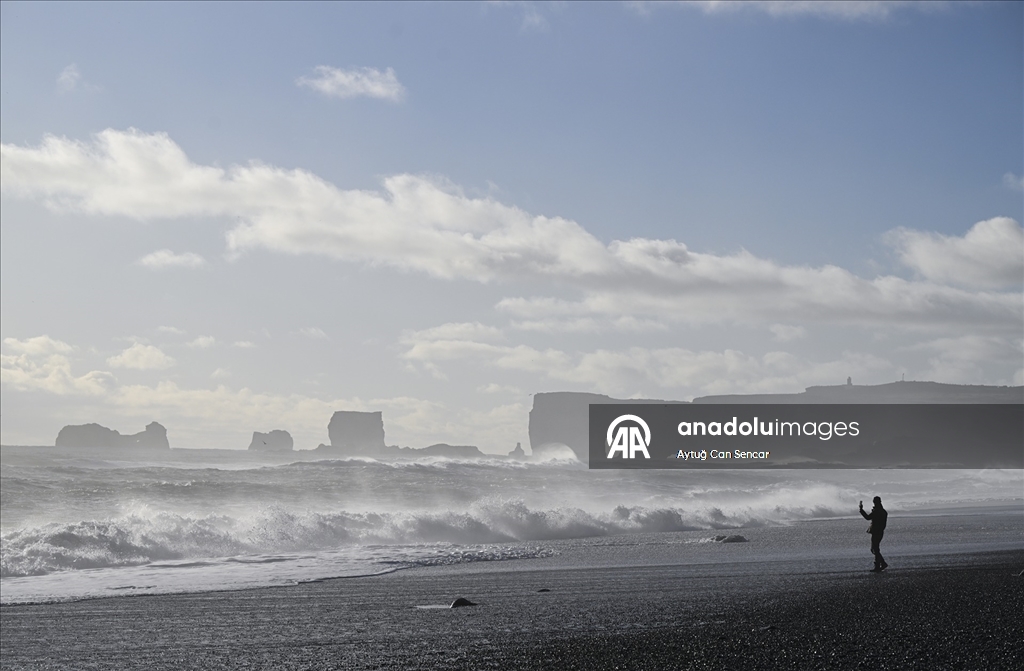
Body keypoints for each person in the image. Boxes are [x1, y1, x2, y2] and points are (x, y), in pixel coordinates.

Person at [859, 496, 888, 572]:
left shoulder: (877, 511)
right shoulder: (883, 511)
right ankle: (881, 564)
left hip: (876, 532)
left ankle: (879, 565)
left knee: (874, 549)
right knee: (875, 549)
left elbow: (868, 517)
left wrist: (861, 510)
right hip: (880, 531)